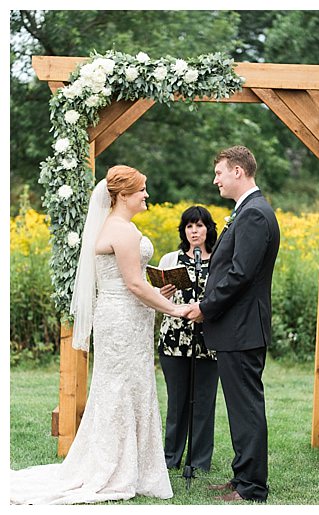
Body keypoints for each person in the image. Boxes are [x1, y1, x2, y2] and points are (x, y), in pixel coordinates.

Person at [10, 165, 191, 504]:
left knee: (126, 386)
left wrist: (158, 297)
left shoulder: (116, 227)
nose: (146, 195)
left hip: (123, 314)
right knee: (120, 389)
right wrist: (176, 310)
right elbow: (135, 284)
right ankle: (114, 467)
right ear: (123, 196)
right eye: (141, 191)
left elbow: (131, 284)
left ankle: (128, 465)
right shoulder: (123, 231)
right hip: (123, 319)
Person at [187, 145, 280, 503]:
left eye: (220, 173)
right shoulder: (248, 211)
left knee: (246, 407)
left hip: (242, 327)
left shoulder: (255, 214)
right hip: (238, 327)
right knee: (241, 406)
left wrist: (206, 308)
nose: (216, 180)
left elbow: (240, 274)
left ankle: (253, 487)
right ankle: (243, 477)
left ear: (238, 171)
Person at [157, 206, 219, 472]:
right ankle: (171, 457)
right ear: (183, 230)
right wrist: (163, 293)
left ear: (208, 229)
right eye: (189, 226)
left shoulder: (219, 259)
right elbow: (157, 301)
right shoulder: (170, 260)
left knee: (204, 402)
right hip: (174, 339)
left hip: (208, 341)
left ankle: (199, 461)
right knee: (177, 402)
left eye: (200, 225)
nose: (194, 231)